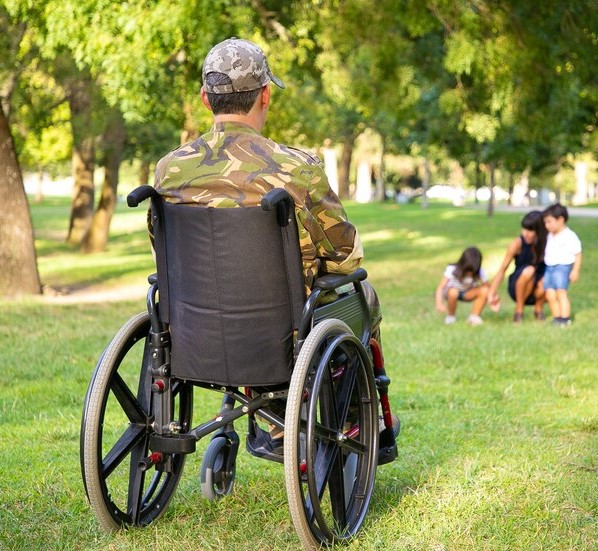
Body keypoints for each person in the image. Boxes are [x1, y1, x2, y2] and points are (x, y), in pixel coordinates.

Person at [150, 37, 397, 452]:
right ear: (265, 95)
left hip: (192, 329)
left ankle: (279, 421)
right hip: (280, 332)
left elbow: (162, 248)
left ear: (206, 98)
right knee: (362, 294)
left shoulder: (169, 170)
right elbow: (342, 254)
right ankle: (356, 423)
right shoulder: (296, 168)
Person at [487, 211, 547, 323]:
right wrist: (491, 293)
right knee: (530, 270)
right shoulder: (517, 243)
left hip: (539, 288)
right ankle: (519, 311)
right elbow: (502, 269)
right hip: (519, 285)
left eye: (530, 230)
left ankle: (538, 309)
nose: (526, 233)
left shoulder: (547, 243)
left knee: (548, 278)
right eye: (524, 229)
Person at [542, 203, 582, 326]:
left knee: (561, 292)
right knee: (550, 293)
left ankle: (565, 318)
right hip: (549, 267)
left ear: (560, 220)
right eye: (545, 223)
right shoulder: (550, 235)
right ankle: (557, 317)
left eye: (549, 222)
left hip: (562, 267)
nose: (547, 225)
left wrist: (575, 270)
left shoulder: (569, 235)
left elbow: (578, 253)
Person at [435, 246, 489, 326]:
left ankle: (474, 317)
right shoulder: (452, 269)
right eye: (468, 270)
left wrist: (493, 300)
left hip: (468, 293)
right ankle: (451, 316)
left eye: (472, 271)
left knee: (485, 290)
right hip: (452, 293)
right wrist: (439, 303)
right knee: (453, 292)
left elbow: (488, 287)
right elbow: (441, 287)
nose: (469, 273)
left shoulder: (480, 271)